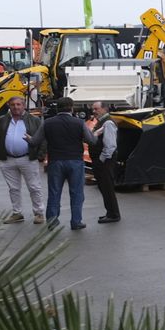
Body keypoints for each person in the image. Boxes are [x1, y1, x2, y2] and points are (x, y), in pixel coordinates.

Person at [37, 96, 97, 231]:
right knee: (76, 193)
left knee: (54, 192)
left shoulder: (48, 123)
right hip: (75, 161)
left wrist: (29, 139)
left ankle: (52, 221)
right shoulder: (79, 123)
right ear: (72, 108)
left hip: (55, 161)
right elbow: (91, 141)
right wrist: (96, 134)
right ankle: (76, 221)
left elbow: (36, 140)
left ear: (57, 108)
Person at [0, 95, 44, 224]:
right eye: (13, 105)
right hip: (7, 160)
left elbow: (43, 139)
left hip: (28, 158)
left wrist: (40, 155)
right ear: (9, 106)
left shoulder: (34, 120)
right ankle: (17, 213)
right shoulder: (2, 120)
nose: (16, 107)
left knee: (34, 187)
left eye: (18, 104)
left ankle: (39, 213)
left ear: (24, 105)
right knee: (13, 188)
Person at [89, 102, 121, 224]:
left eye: (96, 109)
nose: (94, 111)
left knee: (107, 187)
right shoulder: (102, 122)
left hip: (105, 161)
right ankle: (110, 212)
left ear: (104, 109)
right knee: (104, 187)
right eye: (93, 109)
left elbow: (110, 145)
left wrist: (101, 159)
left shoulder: (108, 123)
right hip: (103, 161)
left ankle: (113, 214)